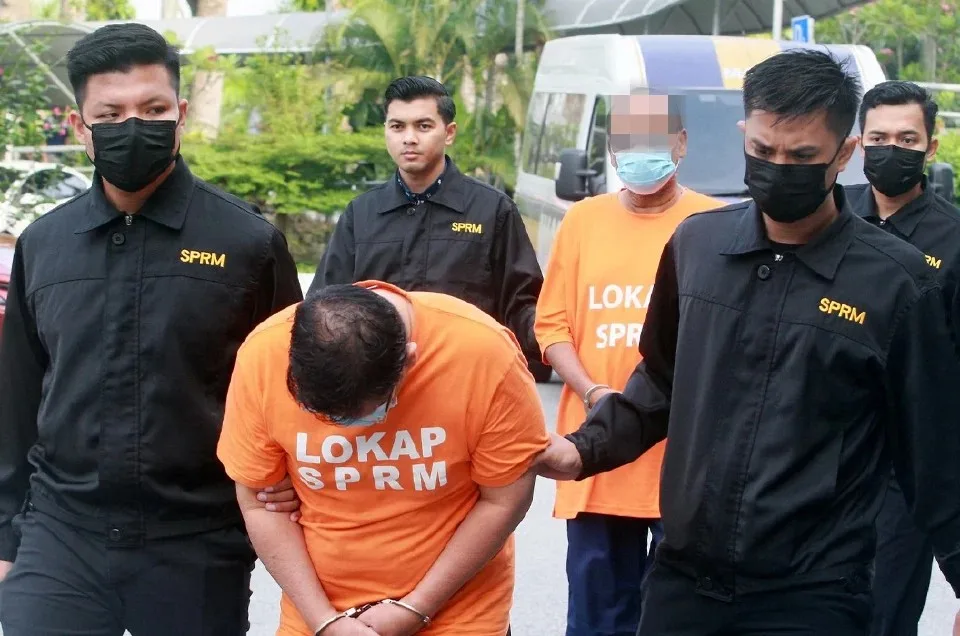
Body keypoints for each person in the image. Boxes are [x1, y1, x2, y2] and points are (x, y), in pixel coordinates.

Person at [536, 49, 960, 635]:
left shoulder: (896, 283)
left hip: (812, 598)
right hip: (682, 585)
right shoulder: (696, 246)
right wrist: (582, 450)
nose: (778, 167)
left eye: (802, 156)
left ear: (844, 154)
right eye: (763, 150)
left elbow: (936, 456)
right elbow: (659, 381)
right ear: (745, 133)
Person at [0, 24, 304, 635]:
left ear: (181, 114)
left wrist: (286, 493)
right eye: (110, 114)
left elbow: (290, 388)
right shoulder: (44, 244)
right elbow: (18, 398)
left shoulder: (248, 244)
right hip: (60, 536)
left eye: (153, 109)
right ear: (80, 126)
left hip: (196, 541)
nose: (133, 126)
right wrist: (6, 535)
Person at [217, 280, 549, 636]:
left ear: (409, 361)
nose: (344, 429)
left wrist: (417, 607)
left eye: (363, 414)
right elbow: (259, 503)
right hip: (317, 612)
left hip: (459, 613)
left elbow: (504, 499)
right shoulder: (264, 355)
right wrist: (323, 621)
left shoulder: (483, 355)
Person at [534, 90, 723, 636]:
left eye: (653, 140)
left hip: (682, 456)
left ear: (681, 143)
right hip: (596, 450)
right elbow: (552, 327)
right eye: (627, 141)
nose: (639, 153)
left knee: (679, 617)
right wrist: (594, 392)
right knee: (597, 617)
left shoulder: (714, 223)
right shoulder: (583, 220)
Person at [311, 75, 549, 381]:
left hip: (466, 381)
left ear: (449, 133)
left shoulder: (492, 211)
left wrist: (555, 346)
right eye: (397, 126)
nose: (409, 138)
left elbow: (523, 305)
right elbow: (325, 305)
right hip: (378, 386)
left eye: (423, 126)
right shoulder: (361, 214)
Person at [847, 80, 960, 636]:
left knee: (884, 615)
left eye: (907, 139)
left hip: (908, 467)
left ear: (931, 147)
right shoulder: (828, 217)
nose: (891, 149)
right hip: (824, 454)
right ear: (858, 144)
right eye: (879, 138)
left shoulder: (954, 239)